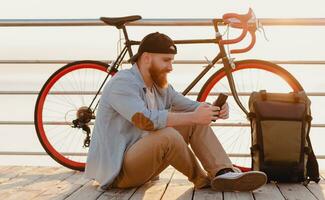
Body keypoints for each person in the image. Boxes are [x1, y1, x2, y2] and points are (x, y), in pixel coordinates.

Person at [84, 32, 267, 191]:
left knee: (194, 122)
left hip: (145, 166)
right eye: (166, 60)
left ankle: (223, 172)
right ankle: (204, 180)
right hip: (119, 173)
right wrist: (193, 116)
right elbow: (144, 120)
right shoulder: (122, 83)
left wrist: (212, 110)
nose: (170, 67)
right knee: (169, 135)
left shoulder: (160, 85)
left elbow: (191, 106)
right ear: (146, 57)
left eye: (171, 61)